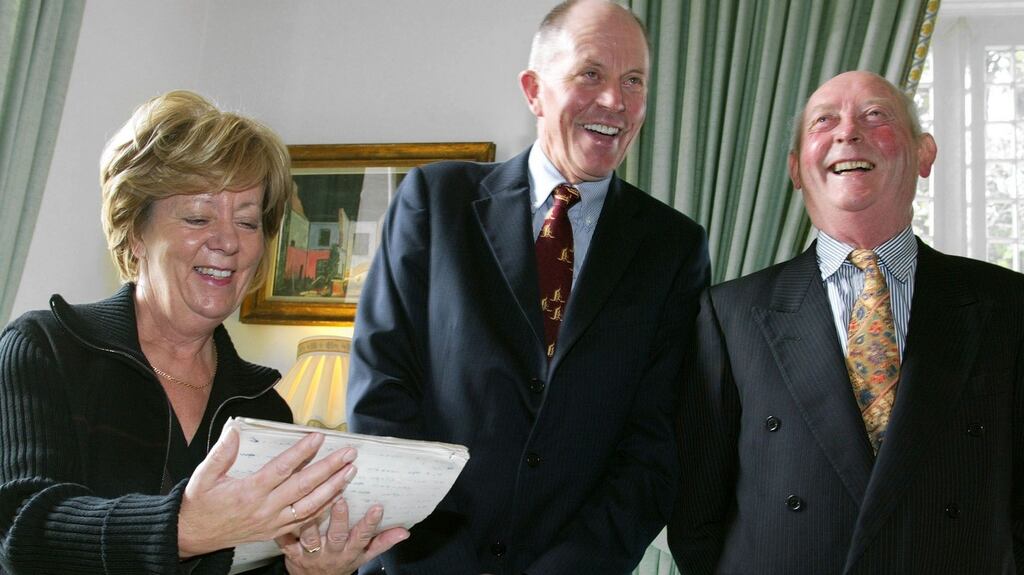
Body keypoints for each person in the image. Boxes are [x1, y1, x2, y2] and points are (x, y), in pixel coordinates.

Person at [345, 1, 710, 573]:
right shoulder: (436, 204)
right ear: (534, 90)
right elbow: (381, 393)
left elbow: (654, 442)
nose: (614, 101)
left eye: (633, 81)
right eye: (591, 74)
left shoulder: (673, 248)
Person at [0, 90, 408, 574]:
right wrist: (183, 528)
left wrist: (308, 572)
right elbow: (20, 534)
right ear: (135, 231)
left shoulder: (263, 407)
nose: (229, 242)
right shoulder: (47, 349)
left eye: (248, 221)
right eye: (197, 217)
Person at [667, 70, 1024, 573]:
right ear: (796, 168)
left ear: (924, 154)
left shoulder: (1009, 305)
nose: (847, 132)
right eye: (823, 121)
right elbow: (695, 514)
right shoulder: (728, 315)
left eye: (876, 115)